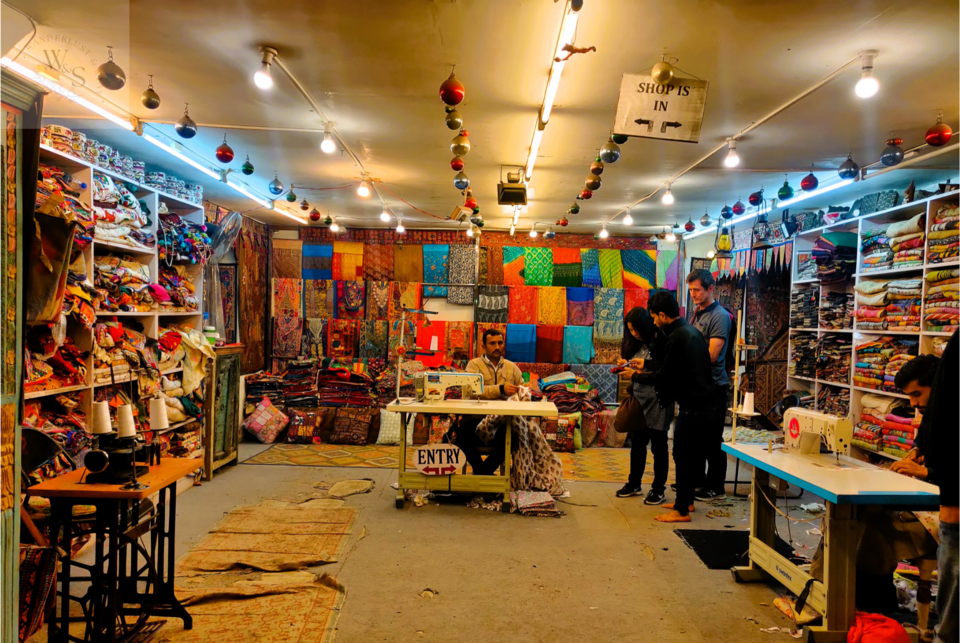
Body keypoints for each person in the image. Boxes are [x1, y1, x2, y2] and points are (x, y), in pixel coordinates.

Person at [623, 291, 716, 523]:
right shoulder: (689, 331)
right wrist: (645, 363)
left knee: (681, 455)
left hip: (693, 405)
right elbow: (670, 366)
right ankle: (687, 501)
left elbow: (664, 376)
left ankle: (681, 510)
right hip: (703, 403)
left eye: (655, 317)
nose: (654, 322)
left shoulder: (675, 337)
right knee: (689, 456)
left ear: (663, 315)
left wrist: (635, 375)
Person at [894, 334, 958, 643]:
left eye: (917, 394)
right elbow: (927, 435)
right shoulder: (934, 414)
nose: (914, 404)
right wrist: (918, 450)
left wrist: (927, 472)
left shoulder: (949, 410)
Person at [615, 307, 672, 505]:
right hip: (639, 399)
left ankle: (658, 489)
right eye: (630, 330)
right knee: (638, 444)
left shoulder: (661, 342)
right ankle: (634, 483)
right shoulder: (635, 344)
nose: (634, 333)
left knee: (658, 446)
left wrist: (638, 372)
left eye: (637, 329)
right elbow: (637, 366)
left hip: (658, 400)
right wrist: (626, 364)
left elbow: (663, 371)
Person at [686, 269, 732, 501]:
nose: (693, 294)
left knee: (713, 440)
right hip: (698, 384)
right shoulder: (697, 313)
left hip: (713, 386)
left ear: (710, 289)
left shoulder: (719, 316)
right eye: (691, 290)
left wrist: (687, 360)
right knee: (696, 438)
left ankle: (716, 486)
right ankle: (697, 480)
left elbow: (712, 355)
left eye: (697, 290)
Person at [454, 328, 524, 475]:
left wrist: (523, 391)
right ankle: (484, 472)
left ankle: (481, 473)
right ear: (484, 346)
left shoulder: (512, 368)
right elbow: (471, 391)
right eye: (492, 343)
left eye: (500, 343)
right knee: (461, 434)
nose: (497, 347)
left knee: (515, 436)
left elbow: (522, 389)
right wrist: (501, 389)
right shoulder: (474, 366)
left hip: (502, 420)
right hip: (477, 417)